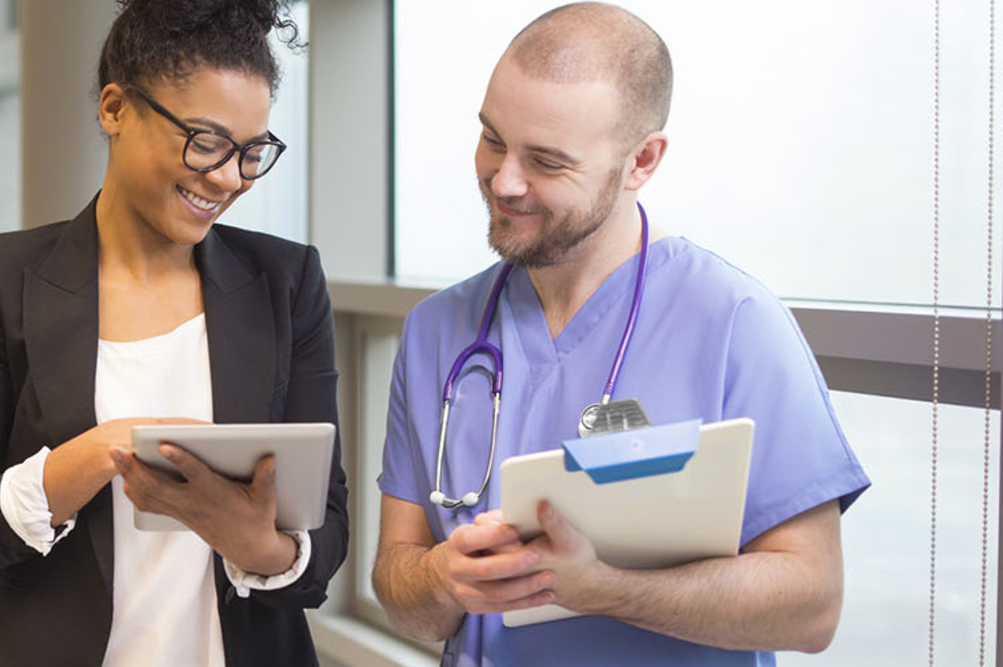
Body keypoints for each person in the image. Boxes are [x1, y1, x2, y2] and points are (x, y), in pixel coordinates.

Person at [369, 4, 871, 665]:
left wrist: (603, 588)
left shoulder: (735, 323)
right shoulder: (438, 329)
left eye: (546, 160)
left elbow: (812, 606)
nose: (504, 179)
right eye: (493, 138)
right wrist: (441, 577)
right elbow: (400, 588)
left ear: (642, 159)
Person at [0, 1, 348, 665]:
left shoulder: (286, 281)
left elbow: (329, 527)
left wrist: (254, 542)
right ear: (115, 108)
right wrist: (91, 456)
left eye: (252, 152)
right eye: (204, 141)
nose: (228, 177)